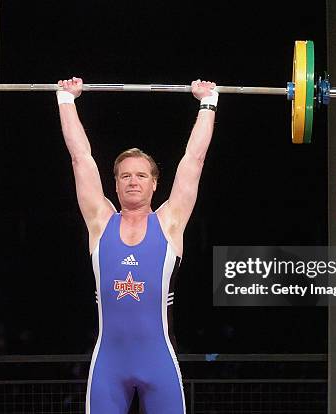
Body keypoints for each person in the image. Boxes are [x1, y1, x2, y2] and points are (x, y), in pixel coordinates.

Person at [56, 76, 217, 413]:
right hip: (108, 367)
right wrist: (66, 100)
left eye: (141, 175)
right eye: (125, 175)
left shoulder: (169, 223)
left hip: (159, 363)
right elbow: (81, 159)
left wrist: (208, 102)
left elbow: (193, 161)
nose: (133, 181)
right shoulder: (101, 222)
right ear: (114, 184)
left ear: (155, 184)